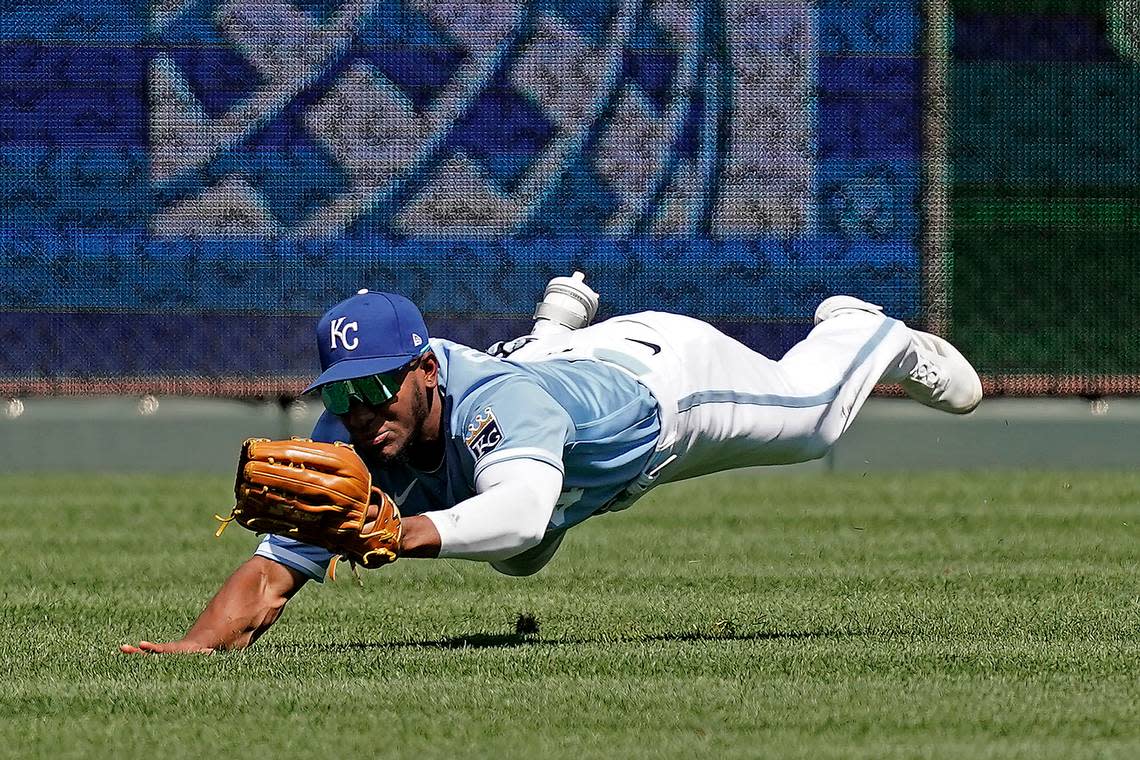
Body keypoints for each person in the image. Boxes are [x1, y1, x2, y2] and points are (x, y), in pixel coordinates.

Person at [121, 287, 982, 654]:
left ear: (425, 370)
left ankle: (864, 327)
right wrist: (195, 649)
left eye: (380, 385)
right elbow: (273, 571)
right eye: (345, 393)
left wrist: (403, 529)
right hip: (552, 389)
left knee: (811, 425)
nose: (362, 410)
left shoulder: (500, 407)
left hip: (662, 390)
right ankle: (550, 330)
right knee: (514, 558)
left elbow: (526, 511)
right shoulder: (353, 431)